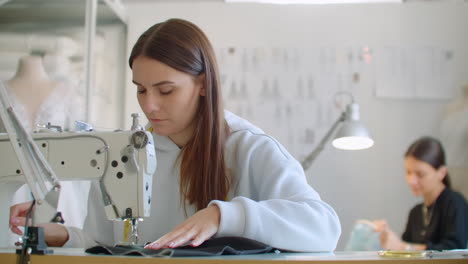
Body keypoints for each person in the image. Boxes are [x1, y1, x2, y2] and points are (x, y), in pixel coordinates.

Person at [9, 18, 341, 252]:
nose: (149, 105)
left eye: (165, 90)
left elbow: (324, 228)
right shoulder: (125, 154)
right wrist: (63, 236)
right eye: (140, 90)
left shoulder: (249, 149)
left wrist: (223, 215)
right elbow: (108, 245)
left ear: (202, 85)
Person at [1, 55, 89, 247]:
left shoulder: (67, 93)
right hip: (12, 178)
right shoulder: (3, 91)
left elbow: (81, 141)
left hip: (55, 179)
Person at [374, 137, 467, 250]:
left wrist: (404, 247)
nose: (411, 181)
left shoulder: (455, 203)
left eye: (420, 174)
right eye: (408, 172)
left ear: (442, 173)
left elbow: (454, 250)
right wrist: (387, 239)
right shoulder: (415, 212)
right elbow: (405, 250)